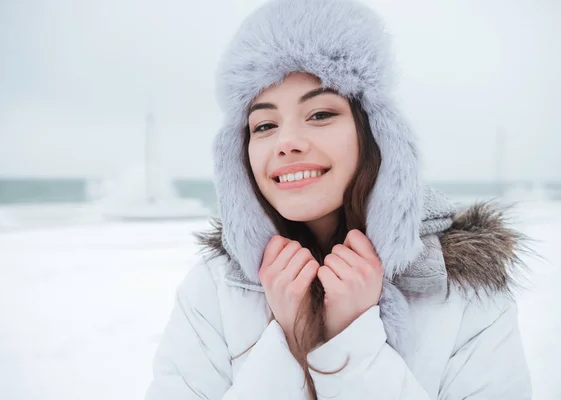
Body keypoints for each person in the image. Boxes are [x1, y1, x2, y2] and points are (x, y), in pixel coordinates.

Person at [145, 0, 532, 398]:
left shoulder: (464, 289)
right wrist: (290, 337)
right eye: (264, 124)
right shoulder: (215, 287)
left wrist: (352, 339)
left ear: (376, 133)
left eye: (320, 115)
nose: (287, 143)